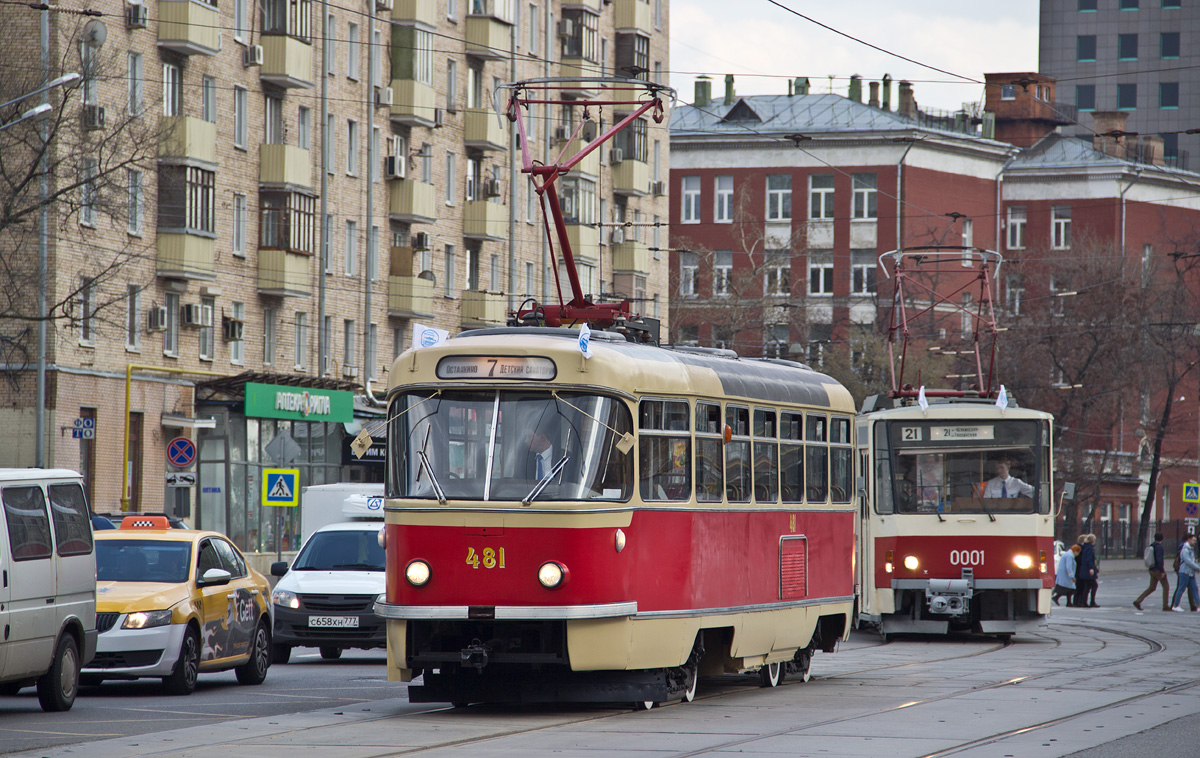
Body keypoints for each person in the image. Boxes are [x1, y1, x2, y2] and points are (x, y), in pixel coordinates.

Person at [1134, 532, 1170, 611]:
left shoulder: (1151, 546)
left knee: (1152, 587)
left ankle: (1138, 600)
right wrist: (1162, 571)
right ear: (1162, 539)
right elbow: (1159, 560)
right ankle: (1165, 606)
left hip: (1151, 569)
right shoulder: (1159, 547)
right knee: (1166, 586)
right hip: (1157, 570)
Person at [1170, 533, 1200, 612]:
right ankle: (1175, 605)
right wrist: (1197, 568)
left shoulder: (1190, 548)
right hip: (1184, 572)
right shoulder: (1185, 549)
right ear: (1189, 540)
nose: (1195, 542)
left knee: (1194, 589)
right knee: (1181, 588)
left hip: (1190, 572)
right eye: (1193, 540)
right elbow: (1188, 561)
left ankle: (1199, 605)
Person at [1074, 534, 1098, 608]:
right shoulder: (1089, 548)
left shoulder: (1085, 547)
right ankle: (1091, 602)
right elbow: (1089, 559)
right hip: (1088, 570)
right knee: (1094, 585)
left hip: (1084, 570)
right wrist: (1091, 568)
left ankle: (1084, 602)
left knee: (1087, 587)